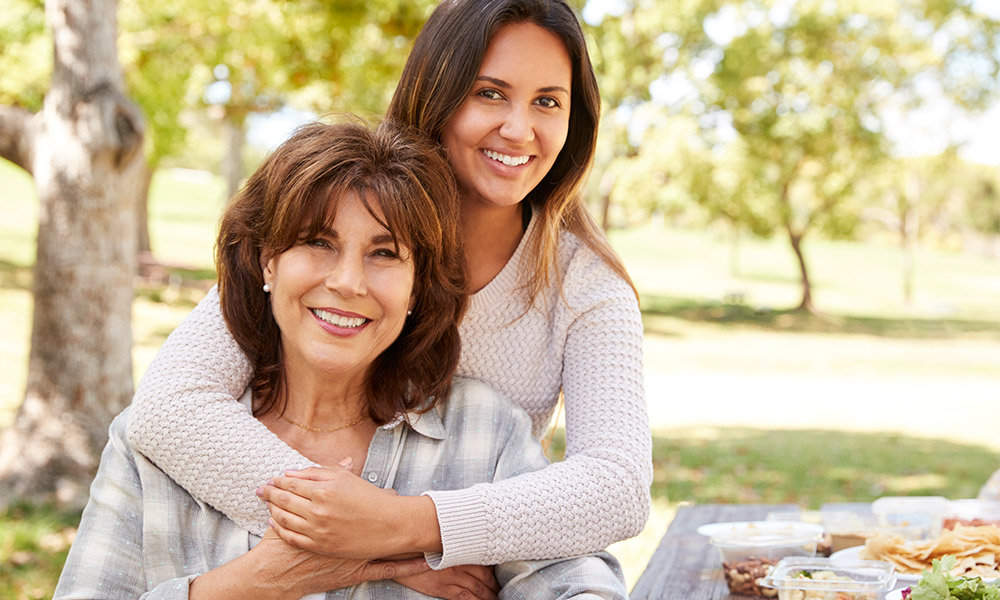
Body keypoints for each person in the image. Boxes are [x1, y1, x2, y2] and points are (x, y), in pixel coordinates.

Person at [126, 0, 651, 584]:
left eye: (547, 102)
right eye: (490, 93)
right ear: (437, 94)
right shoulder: (338, 216)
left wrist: (409, 525)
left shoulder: (585, 286)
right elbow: (169, 408)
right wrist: (371, 556)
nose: (519, 129)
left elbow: (617, 486)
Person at [54, 119, 627, 600]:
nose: (347, 282)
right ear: (266, 262)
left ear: (416, 290)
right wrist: (250, 583)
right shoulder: (150, 447)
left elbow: (580, 585)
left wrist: (405, 527)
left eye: (384, 254)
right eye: (318, 243)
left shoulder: (484, 432)